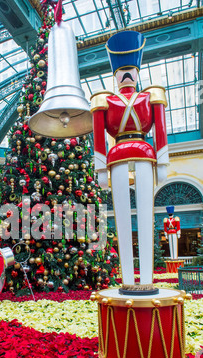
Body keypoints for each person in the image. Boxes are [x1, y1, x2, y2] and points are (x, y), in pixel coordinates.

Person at [90, 30, 169, 293]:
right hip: (117, 155)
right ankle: (127, 279)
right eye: (121, 71)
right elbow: (98, 134)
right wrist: (100, 166)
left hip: (145, 152)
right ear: (114, 75)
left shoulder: (150, 95)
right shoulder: (105, 100)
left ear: (137, 72)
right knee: (122, 216)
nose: (126, 75)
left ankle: (146, 279)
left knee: (146, 212)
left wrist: (163, 160)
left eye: (129, 69)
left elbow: (160, 129)